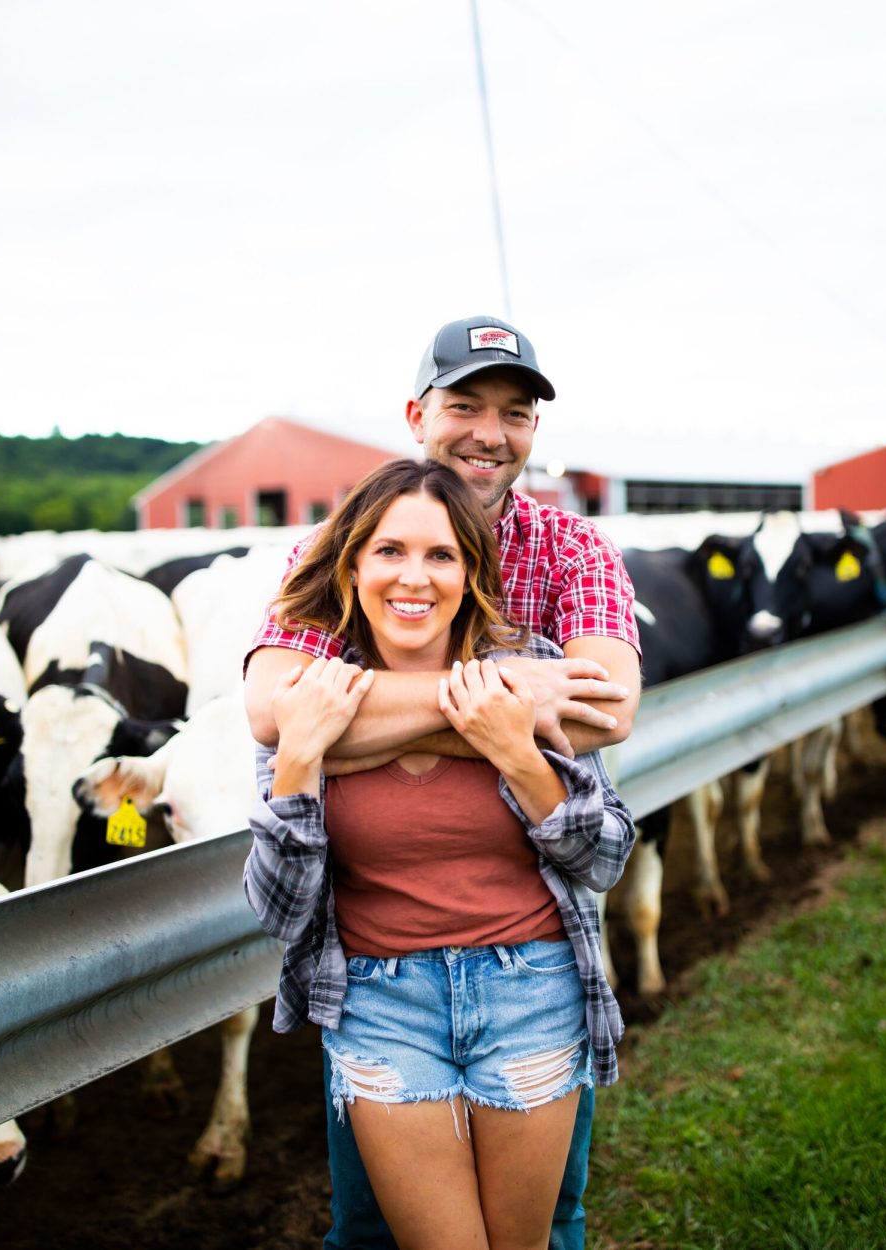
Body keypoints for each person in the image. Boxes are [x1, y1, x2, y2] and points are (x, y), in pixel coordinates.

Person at [244, 315, 642, 1250]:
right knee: (373, 1227)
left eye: (514, 413)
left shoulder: (571, 548)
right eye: (465, 405)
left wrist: (353, 725)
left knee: (552, 1221)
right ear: (418, 413)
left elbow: (602, 714)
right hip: (379, 980)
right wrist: (503, 708)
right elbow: (273, 713)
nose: (488, 434)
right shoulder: (340, 544)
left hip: (532, 960)